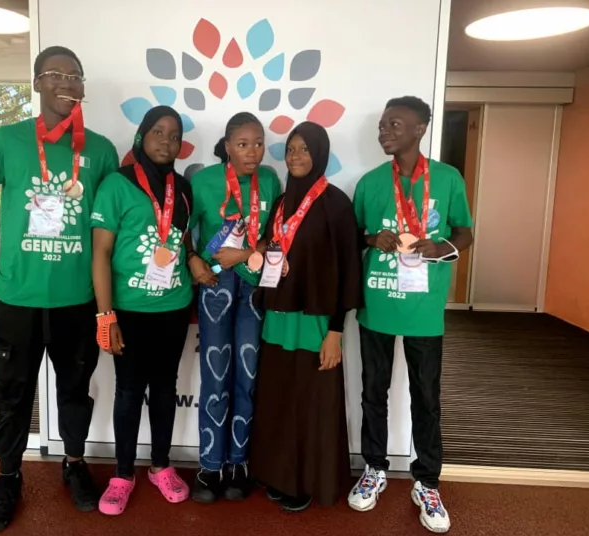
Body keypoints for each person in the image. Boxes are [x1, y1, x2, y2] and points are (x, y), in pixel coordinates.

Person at [0, 46, 119, 532]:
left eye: (76, 74)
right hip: (18, 299)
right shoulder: (5, 141)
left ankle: (74, 464)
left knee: (74, 391)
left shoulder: (101, 149)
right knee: (12, 394)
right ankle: (8, 478)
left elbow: (112, 222)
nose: (68, 82)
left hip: (76, 299)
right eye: (56, 74)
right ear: (36, 83)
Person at [347, 96, 473, 534]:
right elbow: (354, 237)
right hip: (377, 305)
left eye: (395, 124)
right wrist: (371, 238)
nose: (384, 131)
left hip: (424, 310)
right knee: (372, 392)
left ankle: (427, 481)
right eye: (382, 124)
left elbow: (465, 232)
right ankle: (375, 468)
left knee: (427, 399)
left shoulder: (449, 178)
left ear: (420, 129)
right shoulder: (368, 183)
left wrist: (441, 248)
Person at [250, 121, 361, 512]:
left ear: (320, 154)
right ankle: (277, 475)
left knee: (313, 405)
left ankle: (310, 480)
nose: (296, 156)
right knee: (279, 401)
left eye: (304, 149)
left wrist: (335, 332)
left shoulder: (336, 204)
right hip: (278, 319)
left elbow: (349, 271)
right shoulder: (281, 203)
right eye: (291, 149)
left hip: (316, 322)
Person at [91, 106, 193, 516]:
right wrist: (105, 316)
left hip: (173, 306)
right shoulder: (117, 184)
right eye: (158, 132)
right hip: (129, 310)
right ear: (141, 137)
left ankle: (161, 466)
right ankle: (122, 474)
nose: (166, 142)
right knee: (130, 390)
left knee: (165, 388)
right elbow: (100, 253)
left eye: (174, 135)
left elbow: (186, 243)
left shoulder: (183, 189)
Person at [187, 113, 282, 503]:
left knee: (248, 374)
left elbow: (276, 236)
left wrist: (244, 253)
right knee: (215, 375)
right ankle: (210, 464)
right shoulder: (204, 181)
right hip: (215, 284)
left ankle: (239, 462)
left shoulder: (272, 181)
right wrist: (192, 260)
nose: (253, 152)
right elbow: (182, 232)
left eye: (258, 143)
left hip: (256, 286)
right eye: (243, 144)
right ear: (226, 146)